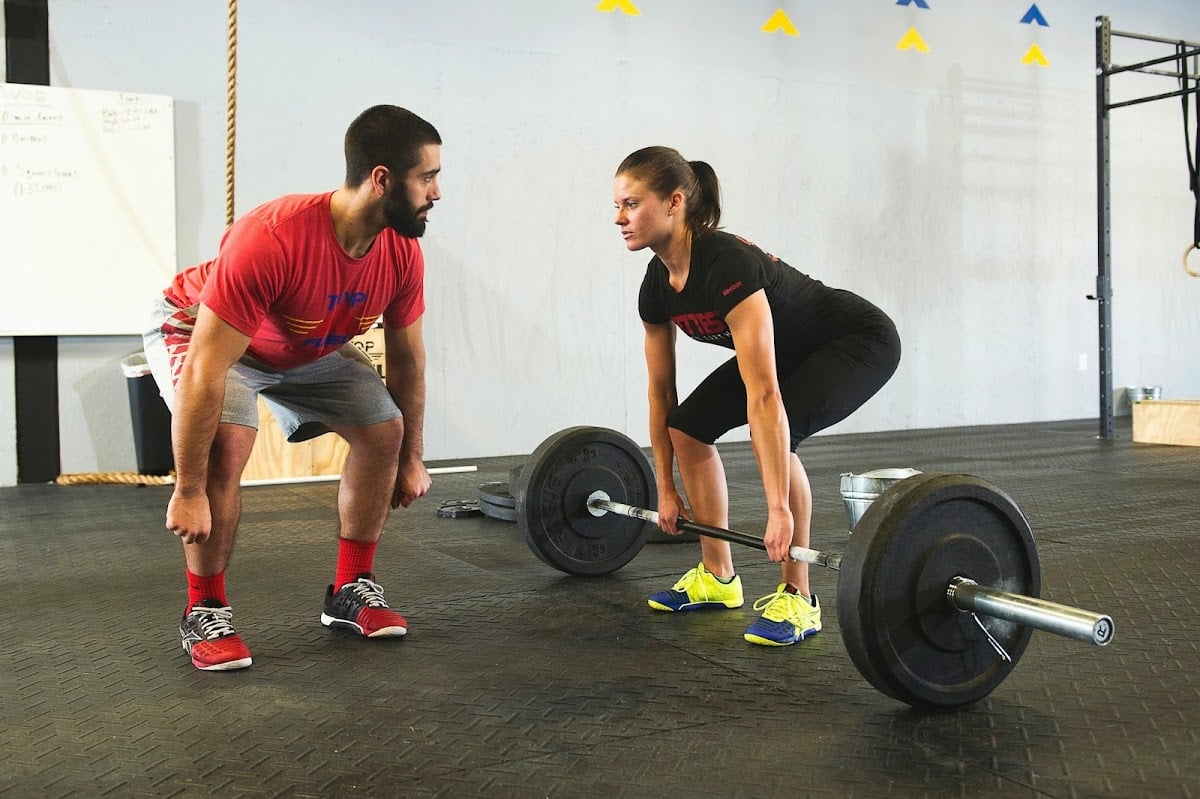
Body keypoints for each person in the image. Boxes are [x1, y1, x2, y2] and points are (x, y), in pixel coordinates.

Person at [143, 105, 442, 671]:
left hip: (302, 345)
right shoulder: (273, 239)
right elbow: (208, 370)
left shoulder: (401, 251)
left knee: (384, 430)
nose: (437, 192)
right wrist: (187, 488)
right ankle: (204, 610)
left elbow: (407, 359)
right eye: (427, 177)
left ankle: (351, 590)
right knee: (227, 443)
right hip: (204, 332)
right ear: (382, 180)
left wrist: (413, 456)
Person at [612, 146, 901, 646]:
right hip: (788, 352)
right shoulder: (656, 286)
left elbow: (765, 396)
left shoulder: (726, 265)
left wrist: (777, 510)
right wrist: (663, 485)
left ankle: (799, 597)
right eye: (617, 206)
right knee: (688, 426)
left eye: (631, 204)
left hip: (854, 341)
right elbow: (661, 393)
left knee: (779, 436)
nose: (620, 218)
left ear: (674, 202)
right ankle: (718, 577)